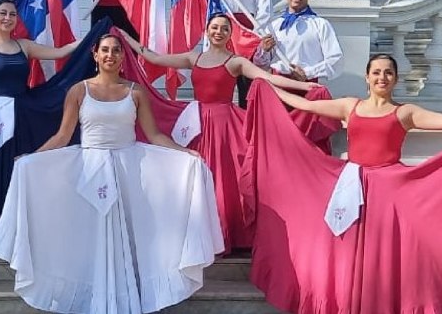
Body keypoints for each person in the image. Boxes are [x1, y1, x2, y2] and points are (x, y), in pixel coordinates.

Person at [241, 54, 442, 314]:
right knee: (348, 254)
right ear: (367, 77)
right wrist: (267, 86)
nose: (382, 77)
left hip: (390, 191)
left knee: (386, 256)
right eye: (376, 72)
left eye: (388, 73)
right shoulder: (349, 106)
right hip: (351, 188)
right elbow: (304, 104)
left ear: (395, 79)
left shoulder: (405, 112)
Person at [0, 34, 224, 313]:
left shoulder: (135, 91)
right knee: (89, 235)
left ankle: (126, 296)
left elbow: (154, 134)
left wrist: (185, 154)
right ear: (95, 55)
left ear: (123, 57)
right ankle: (91, 296)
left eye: (115, 51)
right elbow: (63, 136)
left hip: (128, 168)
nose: (110, 55)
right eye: (105, 50)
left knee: (130, 233)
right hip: (89, 167)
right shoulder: (78, 91)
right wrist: (33, 157)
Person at [119, 14, 332, 251]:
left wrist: (305, 85)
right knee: (193, 176)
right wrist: (125, 36)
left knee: (222, 178)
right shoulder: (193, 57)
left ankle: (221, 235)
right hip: (196, 123)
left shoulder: (236, 62)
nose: (218, 32)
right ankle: (195, 235)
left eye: (224, 29)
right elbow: (154, 57)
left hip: (224, 125)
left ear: (230, 34)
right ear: (207, 31)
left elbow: (268, 77)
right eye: (214, 27)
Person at [0, 0, 112, 253]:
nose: (8, 18)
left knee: (20, 173)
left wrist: (95, 34)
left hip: (23, 117)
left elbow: (62, 52)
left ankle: (18, 238)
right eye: (2, 13)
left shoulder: (24, 45)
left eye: (12, 14)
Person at [254, 0, 343, 83]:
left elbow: (335, 60)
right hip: (278, 87)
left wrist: (307, 73)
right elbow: (260, 64)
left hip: (309, 86)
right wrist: (264, 51)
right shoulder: (273, 26)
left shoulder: (321, 25)